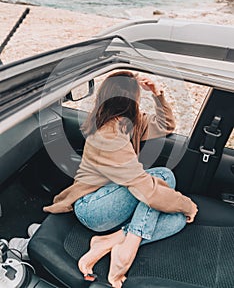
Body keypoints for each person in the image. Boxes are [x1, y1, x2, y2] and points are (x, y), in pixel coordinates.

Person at [44, 71, 198, 288]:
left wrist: (158, 95)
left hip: (113, 200)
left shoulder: (129, 123)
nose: (139, 100)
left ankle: (112, 240)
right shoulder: (108, 136)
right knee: (163, 177)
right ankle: (128, 248)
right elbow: (148, 192)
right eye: (138, 96)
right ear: (129, 100)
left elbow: (166, 126)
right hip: (93, 208)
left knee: (177, 221)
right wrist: (188, 205)